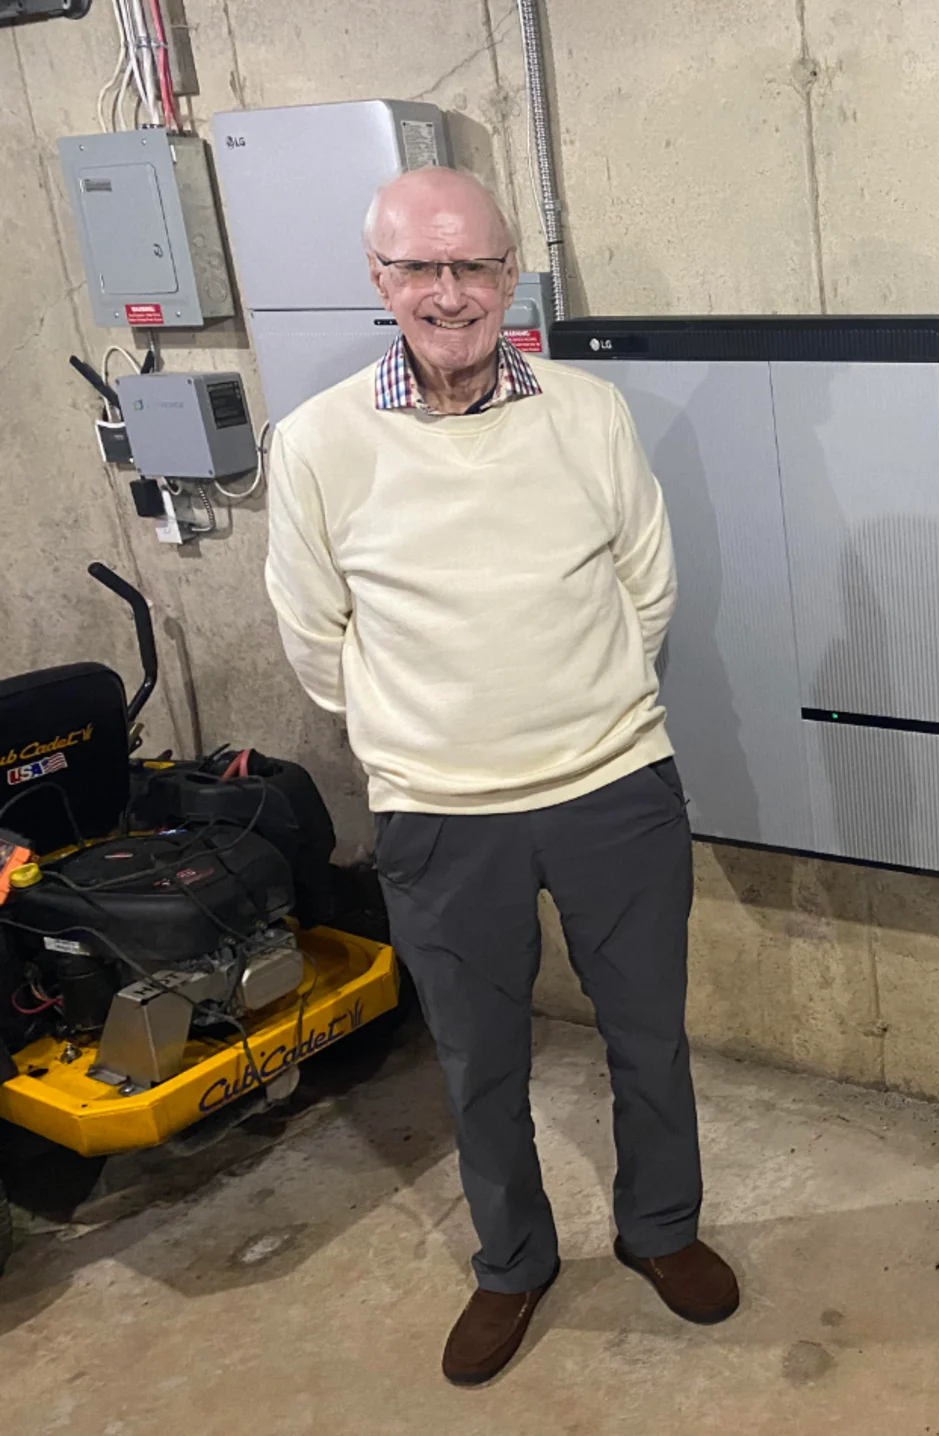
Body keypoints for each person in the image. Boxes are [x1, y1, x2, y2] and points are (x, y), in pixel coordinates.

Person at [264, 166, 737, 1387]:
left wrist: (579, 710)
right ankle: (514, 1260)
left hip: (613, 788)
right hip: (438, 814)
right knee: (480, 1062)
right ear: (379, 280)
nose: (449, 291)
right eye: (419, 267)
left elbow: (650, 586)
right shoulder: (317, 445)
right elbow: (317, 640)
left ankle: (661, 1230)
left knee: (648, 1036)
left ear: (509, 274)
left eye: (474, 264)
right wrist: (429, 736)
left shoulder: (587, 415)